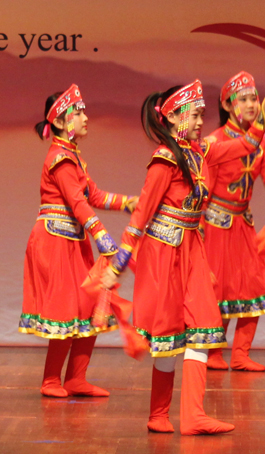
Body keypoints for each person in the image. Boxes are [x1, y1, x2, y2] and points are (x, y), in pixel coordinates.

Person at [101, 76, 265, 434]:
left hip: (193, 251)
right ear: (171, 118)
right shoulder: (165, 160)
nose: (202, 122)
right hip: (164, 255)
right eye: (194, 115)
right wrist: (119, 263)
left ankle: (194, 416)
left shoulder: (200, 152)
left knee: (203, 326)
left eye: (202, 114)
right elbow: (141, 217)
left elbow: (247, 143)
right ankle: (158, 415)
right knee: (169, 338)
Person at [19, 84, 138, 398]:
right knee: (66, 309)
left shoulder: (72, 157)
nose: (85, 117)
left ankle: (75, 378)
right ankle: (50, 381)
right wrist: (102, 236)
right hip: (54, 242)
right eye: (78, 112)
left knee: (90, 306)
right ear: (60, 122)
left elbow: (93, 195)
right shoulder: (59, 158)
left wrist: (130, 202)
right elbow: (77, 202)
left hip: (71, 240)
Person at [203, 71, 265, 372]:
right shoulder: (215, 143)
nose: (251, 104)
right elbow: (204, 190)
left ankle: (240, 354)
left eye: (255, 98)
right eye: (244, 99)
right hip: (215, 224)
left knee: (255, 285)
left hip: (243, 223)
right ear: (226, 105)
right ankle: (213, 352)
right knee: (217, 290)